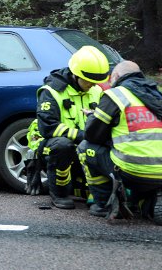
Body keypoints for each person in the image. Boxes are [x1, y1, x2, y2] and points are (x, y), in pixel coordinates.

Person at [78, 60, 162, 225]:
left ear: (117, 76)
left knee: (86, 148)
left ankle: (104, 204)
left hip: (133, 170)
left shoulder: (117, 95)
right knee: (142, 156)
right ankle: (155, 196)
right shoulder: (160, 97)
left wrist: (93, 117)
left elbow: (93, 135)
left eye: (110, 79)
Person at [35, 46, 109, 209]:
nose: (92, 84)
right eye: (88, 80)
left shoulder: (97, 91)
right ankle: (60, 193)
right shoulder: (52, 92)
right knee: (63, 146)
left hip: (86, 147)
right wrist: (84, 136)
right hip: (55, 146)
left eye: (96, 81)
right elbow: (48, 128)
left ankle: (97, 193)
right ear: (75, 75)